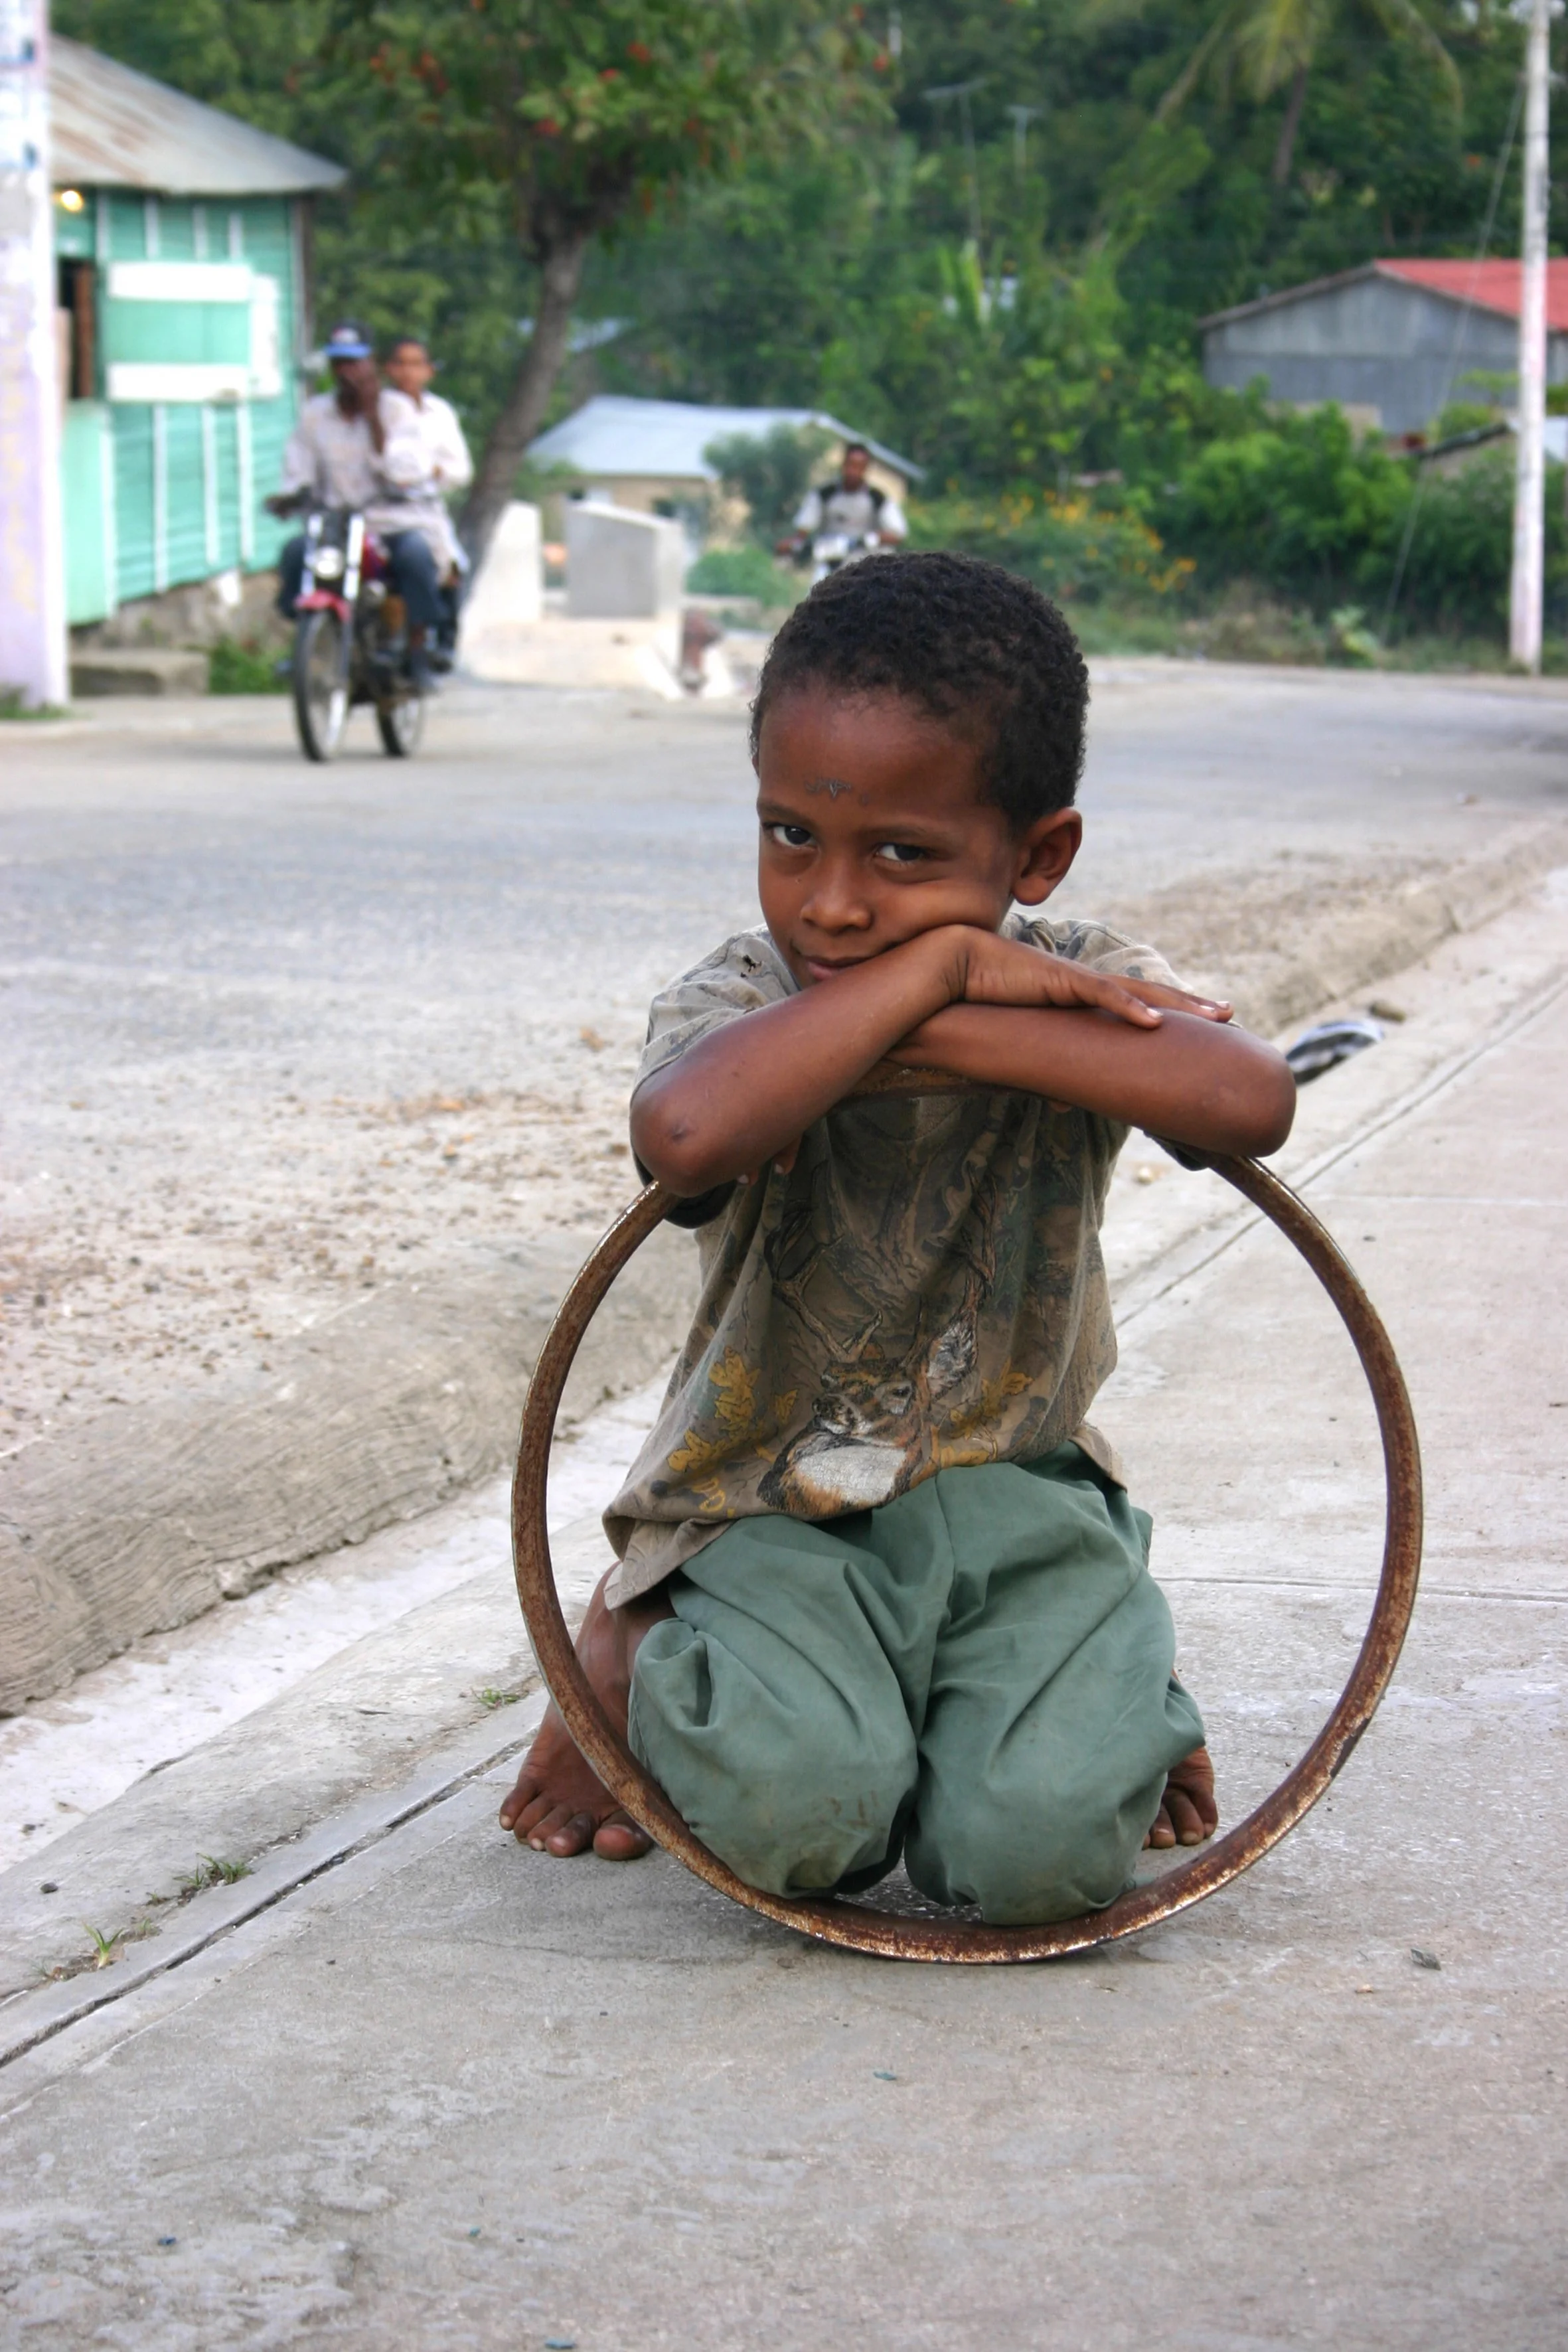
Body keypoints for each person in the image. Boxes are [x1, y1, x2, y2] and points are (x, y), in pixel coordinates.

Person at [501, 552, 1296, 1924]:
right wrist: (938, 964)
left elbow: (1248, 1096)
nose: (832, 904)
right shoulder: (741, 995)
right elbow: (683, 1136)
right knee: (798, 1824)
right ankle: (637, 1634)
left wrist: (928, 1014)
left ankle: (1102, 1689)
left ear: (1035, 855)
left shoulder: (1086, 978)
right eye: (790, 835)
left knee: (1039, 1857)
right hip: (761, 1511)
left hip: (1017, 1495)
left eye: (904, 857)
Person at [267, 321, 444, 693]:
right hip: (337, 524)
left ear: (371, 365)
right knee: (296, 554)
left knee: (415, 559)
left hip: (392, 520)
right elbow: (299, 465)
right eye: (339, 364)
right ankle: (304, 643)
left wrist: (373, 416)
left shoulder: (397, 411)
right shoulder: (316, 413)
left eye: (354, 363)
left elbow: (405, 468)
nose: (346, 372)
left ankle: (417, 652)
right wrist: (291, 496)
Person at [382, 333, 473, 665]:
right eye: (400, 364)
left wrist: (431, 472)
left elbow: (459, 468)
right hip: (378, 506)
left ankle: (439, 639)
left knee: (449, 566)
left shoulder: (440, 414)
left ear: (429, 371)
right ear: (388, 369)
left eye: (416, 364)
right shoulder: (377, 410)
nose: (408, 373)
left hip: (424, 507)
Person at [783, 439, 907, 567]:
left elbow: (897, 535)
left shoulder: (878, 499)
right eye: (850, 465)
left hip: (865, 567)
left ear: (866, 469)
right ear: (843, 464)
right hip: (829, 563)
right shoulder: (825, 494)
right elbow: (803, 530)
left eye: (859, 467)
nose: (853, 471)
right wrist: (793, 546)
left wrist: (868, 539)